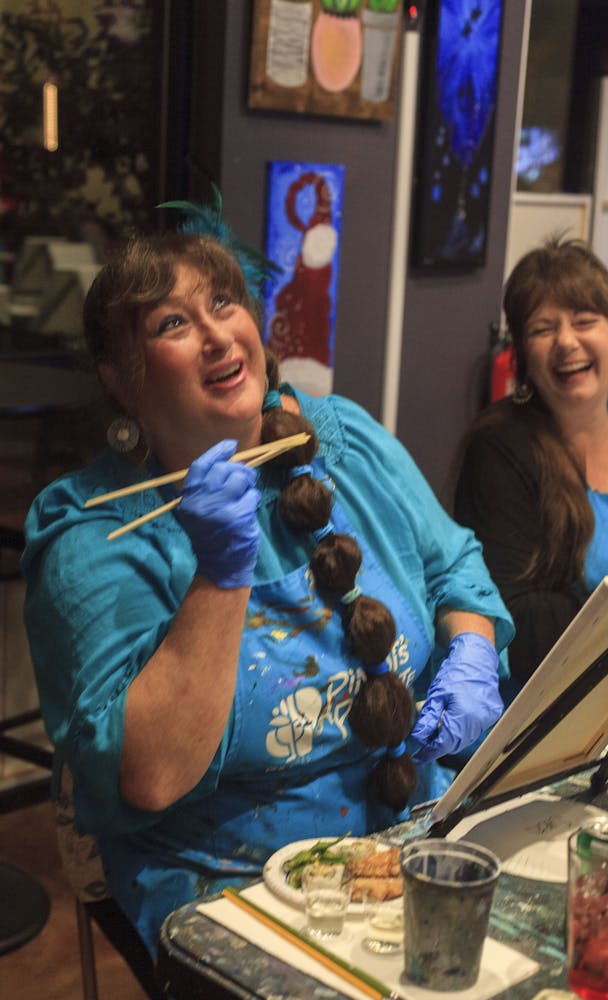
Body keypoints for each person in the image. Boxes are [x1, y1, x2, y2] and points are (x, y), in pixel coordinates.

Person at [21, 200, 513, 959]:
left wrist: (472, 656)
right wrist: (220, 573)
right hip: (237, 899)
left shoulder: (340, 440)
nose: (218, 333)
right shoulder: (95, 537)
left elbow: (452, 565)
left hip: (416, 846)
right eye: (171, 324)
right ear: (120, 379)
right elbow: (147, 776)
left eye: (223, 302)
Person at [455, 236, 608, 698]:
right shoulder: (499, 449)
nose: (567, 341)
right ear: (521, 356)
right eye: (544, 329)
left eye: (584, 321)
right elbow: (512, 618)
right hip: (541, 719)